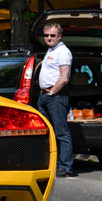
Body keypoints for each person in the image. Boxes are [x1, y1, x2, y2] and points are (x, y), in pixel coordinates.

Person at [37, 22, 74, 178]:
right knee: (46, 132)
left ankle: (65, 167)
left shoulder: (63, 52)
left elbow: (64, 78)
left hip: (56, 96)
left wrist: (51, 92)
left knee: (61, 133)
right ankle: (51, 163)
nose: (49, 38)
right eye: (46, 35)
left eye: (52, 35)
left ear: (59, 36)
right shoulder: (51, 50)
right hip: (45, 95)